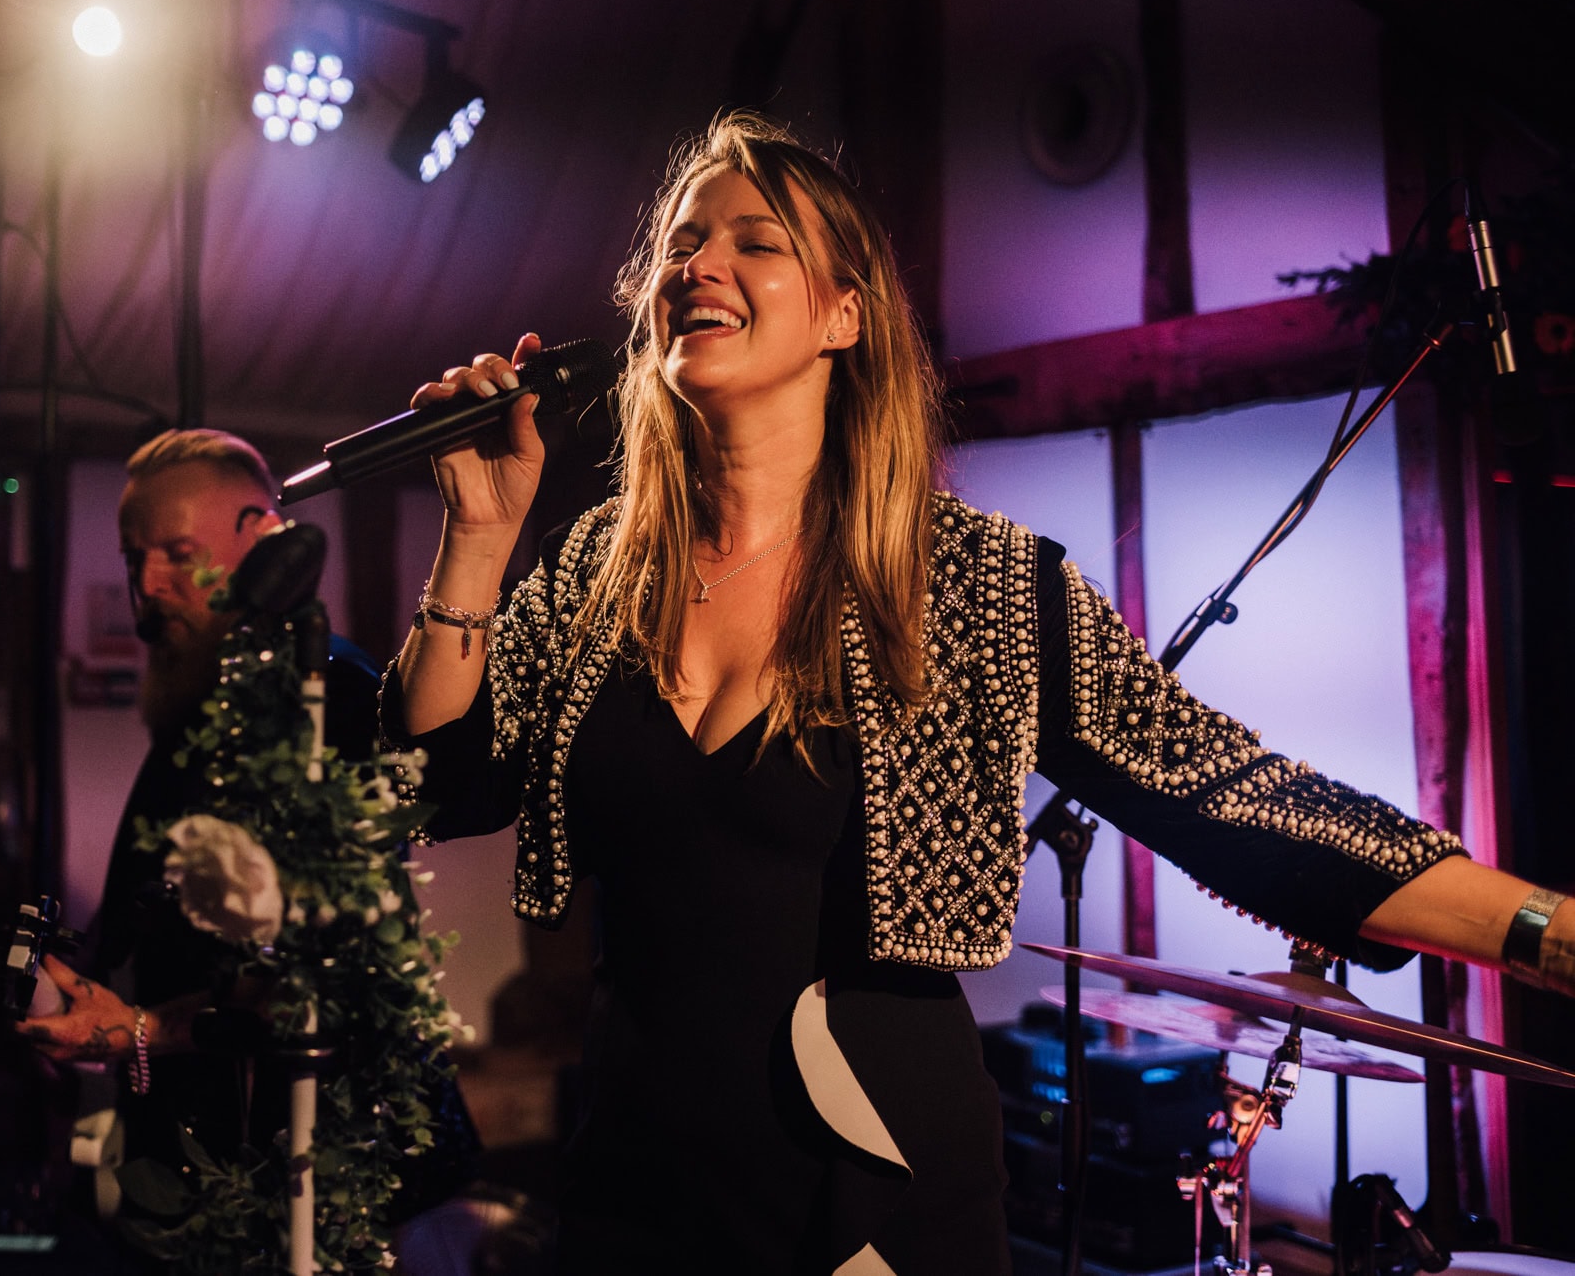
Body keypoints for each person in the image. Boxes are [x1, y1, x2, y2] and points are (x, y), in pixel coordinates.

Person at [381, 111, 1573, 1274]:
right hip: (633, 1183)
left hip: (872, 1183)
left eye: (754, 240)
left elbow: (1228, 795)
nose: (700, 265)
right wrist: (478, 538)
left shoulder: (971, 584)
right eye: (681, 243)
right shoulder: (593, 568)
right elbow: (439, 782)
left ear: (844, 315)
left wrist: (1540, 929)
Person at [21, 429, 474, 1248]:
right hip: (203, 1169)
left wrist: (146, 1027)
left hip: (309, 1181)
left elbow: (322, 970)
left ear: (266, 539)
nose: (147, 583)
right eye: (135, 558)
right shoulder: (199, 712)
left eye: (177, 553)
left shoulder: (325, 694)